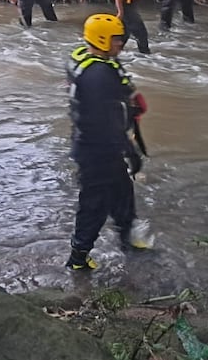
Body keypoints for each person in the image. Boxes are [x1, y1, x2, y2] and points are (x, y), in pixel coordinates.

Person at [65, 14, 151, 271]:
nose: (120, 44)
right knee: (95, 203)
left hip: (96, 145)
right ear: (101, 39)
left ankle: (128, 239)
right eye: (116, 39)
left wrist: (129, 100)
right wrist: (130, 150)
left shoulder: (86, 57)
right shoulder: (98, 74)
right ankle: (78, 257)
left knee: (122, 192)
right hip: (97, 149)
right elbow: (104, 121)